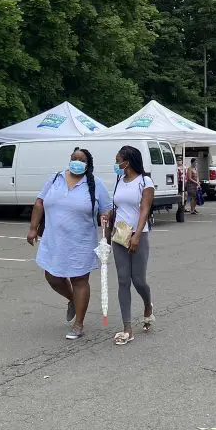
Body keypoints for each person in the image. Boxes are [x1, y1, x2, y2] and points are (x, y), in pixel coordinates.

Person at [27, 148, 112, 340]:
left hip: (81, 242)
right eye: (74, 158)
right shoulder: (55, 179)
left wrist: (105, 240)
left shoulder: (95, 184)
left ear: (88, 164)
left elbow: (106, 212)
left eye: (81, 160)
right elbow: (39, 202)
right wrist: (33, 228)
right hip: (53, 240)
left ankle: (78, 324)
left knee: (79, 280)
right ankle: (73, 300)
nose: (77, 162)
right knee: (52, 277)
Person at [109, 145, 155, 346]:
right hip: (119, 235)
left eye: (118, 160)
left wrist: (137, 235)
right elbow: (118, 207)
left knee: (138, 280)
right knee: (122, 280)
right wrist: (108, 217)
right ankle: (127, 328)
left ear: (127, 162)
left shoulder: (145, 181)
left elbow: (144, 209)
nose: (116, 164)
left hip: (138, 235)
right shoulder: (119, 180)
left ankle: (147, 305)